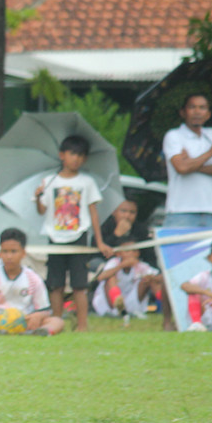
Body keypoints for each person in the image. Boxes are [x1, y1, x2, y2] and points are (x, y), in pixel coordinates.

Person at [33, 134, 113, 332]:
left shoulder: (87, 182)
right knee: (55, 284)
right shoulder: (49, 181)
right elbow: (42, 211)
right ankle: (56, 322)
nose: (76, 159)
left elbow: (93, 213)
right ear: (62, 155)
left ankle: (82, 325)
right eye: (72, 154)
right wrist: (38, 197)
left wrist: (99, 241)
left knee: (80, 285)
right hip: (55, 237)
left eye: (81, 155)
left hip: (79, 236)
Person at [162, 93, 212, 229]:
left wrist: (192, 164)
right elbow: (181, 168)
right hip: (181, 211)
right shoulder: (174, 136)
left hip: (209, 211)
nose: (197, 112)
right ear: (183, 112)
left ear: (208, 114)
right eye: (192, 107)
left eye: (202, 108)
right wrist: (210, 153)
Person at [91, 237, 167, 324]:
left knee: (148, 280)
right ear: (119, 253)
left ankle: (165, 305)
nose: (131, 254)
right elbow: (101, 277)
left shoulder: (140, 266)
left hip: (131, 301)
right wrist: (121, 266)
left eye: (134, 251)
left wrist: (151, 278)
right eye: (127, 251)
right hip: (110, 303)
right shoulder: (114, 262)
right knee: (111, 277)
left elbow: (160, 277)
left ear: (138, 253)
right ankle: (119, 306)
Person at [98, 199, 157, 268]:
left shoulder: (140, 229)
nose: (127, 215)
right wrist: (116, 235)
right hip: (109, 264)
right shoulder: (106, 226)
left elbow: (148, 254)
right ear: (114, 212)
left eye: (132, 212)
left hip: (135, 265)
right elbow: (97, 250)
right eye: (123, 211)